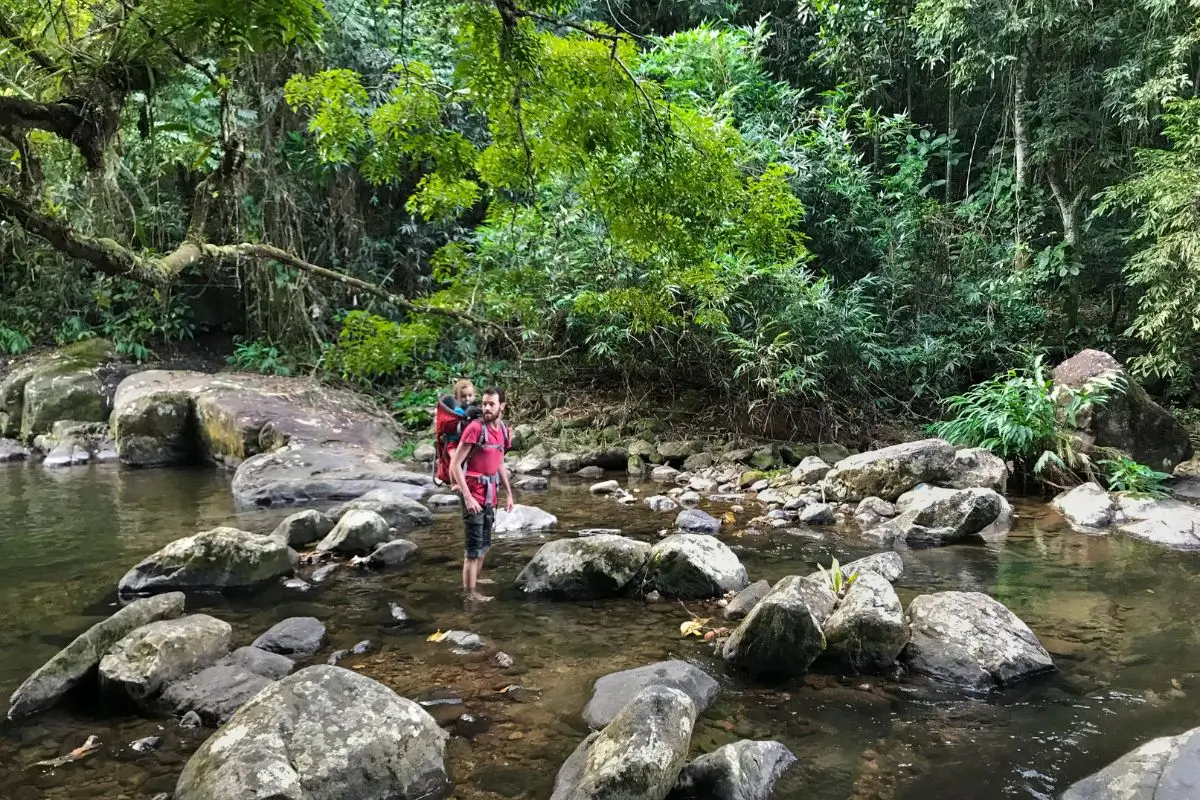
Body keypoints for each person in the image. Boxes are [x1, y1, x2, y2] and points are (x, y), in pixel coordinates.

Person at [448, 387, 513, 601]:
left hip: (490, 495)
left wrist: (509, 494)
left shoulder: (503, 430)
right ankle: (470, 594)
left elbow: (499, 463)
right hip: (472, 493)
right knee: (472, 550)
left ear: (501, 406)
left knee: (484, 546)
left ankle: (475, 580)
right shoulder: (475, 428)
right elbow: (456, 464)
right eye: (484, 403)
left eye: (491, 404)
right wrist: (467, 497)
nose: (486, 407)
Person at [433, 379, 477, 487]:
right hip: (452, 442)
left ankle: (462, 481)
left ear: (474, 395)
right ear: (457, 398)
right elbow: (461, 420)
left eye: (470, 395)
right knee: (455, 460)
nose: (467, 399)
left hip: (463, 442)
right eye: (463, 396)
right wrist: (467, 415)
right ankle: (453, 483)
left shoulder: (472, 409)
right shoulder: (458, 411)